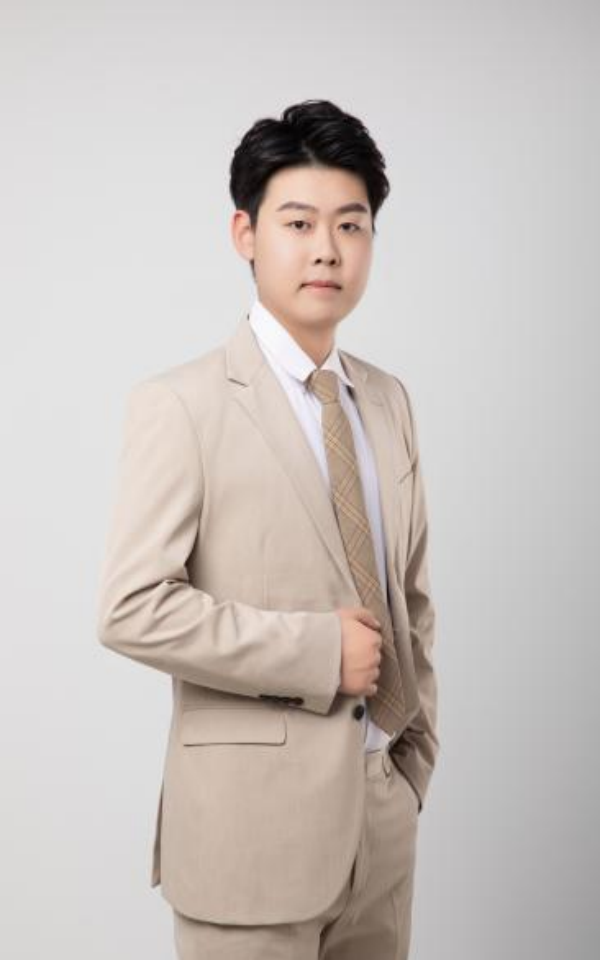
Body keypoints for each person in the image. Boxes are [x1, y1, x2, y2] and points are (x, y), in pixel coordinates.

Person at [96, 98, 439, 959]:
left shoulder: (388, 401)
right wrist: (316, 652)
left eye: (350, 225)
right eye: (299, 223)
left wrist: (413, 760)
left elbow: (411, 599)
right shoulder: (182, 404)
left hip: (381, 825)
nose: (327, 249)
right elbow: (131, 607)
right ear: (245, 234)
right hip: (247, 839)